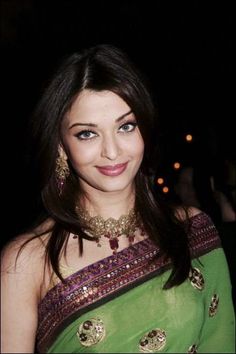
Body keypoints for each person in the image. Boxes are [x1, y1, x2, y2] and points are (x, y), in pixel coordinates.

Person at [1, 44, 235, 353]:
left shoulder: (192, 230)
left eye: (126, 126)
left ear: (144, 132)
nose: (112, 152)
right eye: (87, 133)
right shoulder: (27, 264)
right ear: (61, 146)